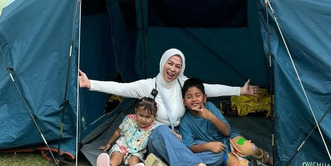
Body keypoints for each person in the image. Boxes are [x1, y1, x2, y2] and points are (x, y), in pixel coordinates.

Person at [79, 48, 261, 166]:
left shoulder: (183, 83)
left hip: (180, 137)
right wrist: (90, 84)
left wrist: (239, 90)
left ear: (181, 70)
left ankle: (166, 163)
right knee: (163, 132)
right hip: (157, 136)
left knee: (214, 155)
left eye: (177, 66)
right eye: (170, 63)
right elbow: (121, 88)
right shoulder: (148, 85)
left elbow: (210, 88)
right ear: (163, 63)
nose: (173, 69)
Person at [179, 78, 273, 166]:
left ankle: (267, 158)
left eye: (197, 95)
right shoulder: (185, 122)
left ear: (204, 98)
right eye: (189, 97)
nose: (194, 99)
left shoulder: (210, 107)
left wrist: (210, 116)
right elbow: (190, 147)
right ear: (184, 102)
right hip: (219, 150)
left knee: (251, 149)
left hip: (231, 138)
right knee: (237, 164)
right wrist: (208, 146)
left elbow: (226, 132)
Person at [96, 97, 158, 166]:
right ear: (136, 111)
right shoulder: (129, 119)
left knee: (134, 160)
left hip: (136, 152)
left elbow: (165, 131)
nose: (143, 119)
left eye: (147, 117)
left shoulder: (154, 127)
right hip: (121, 146)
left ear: (154, 117)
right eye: (141, 115)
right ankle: (109, 165)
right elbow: (118, 131)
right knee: (116, 157)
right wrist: (109, 143)